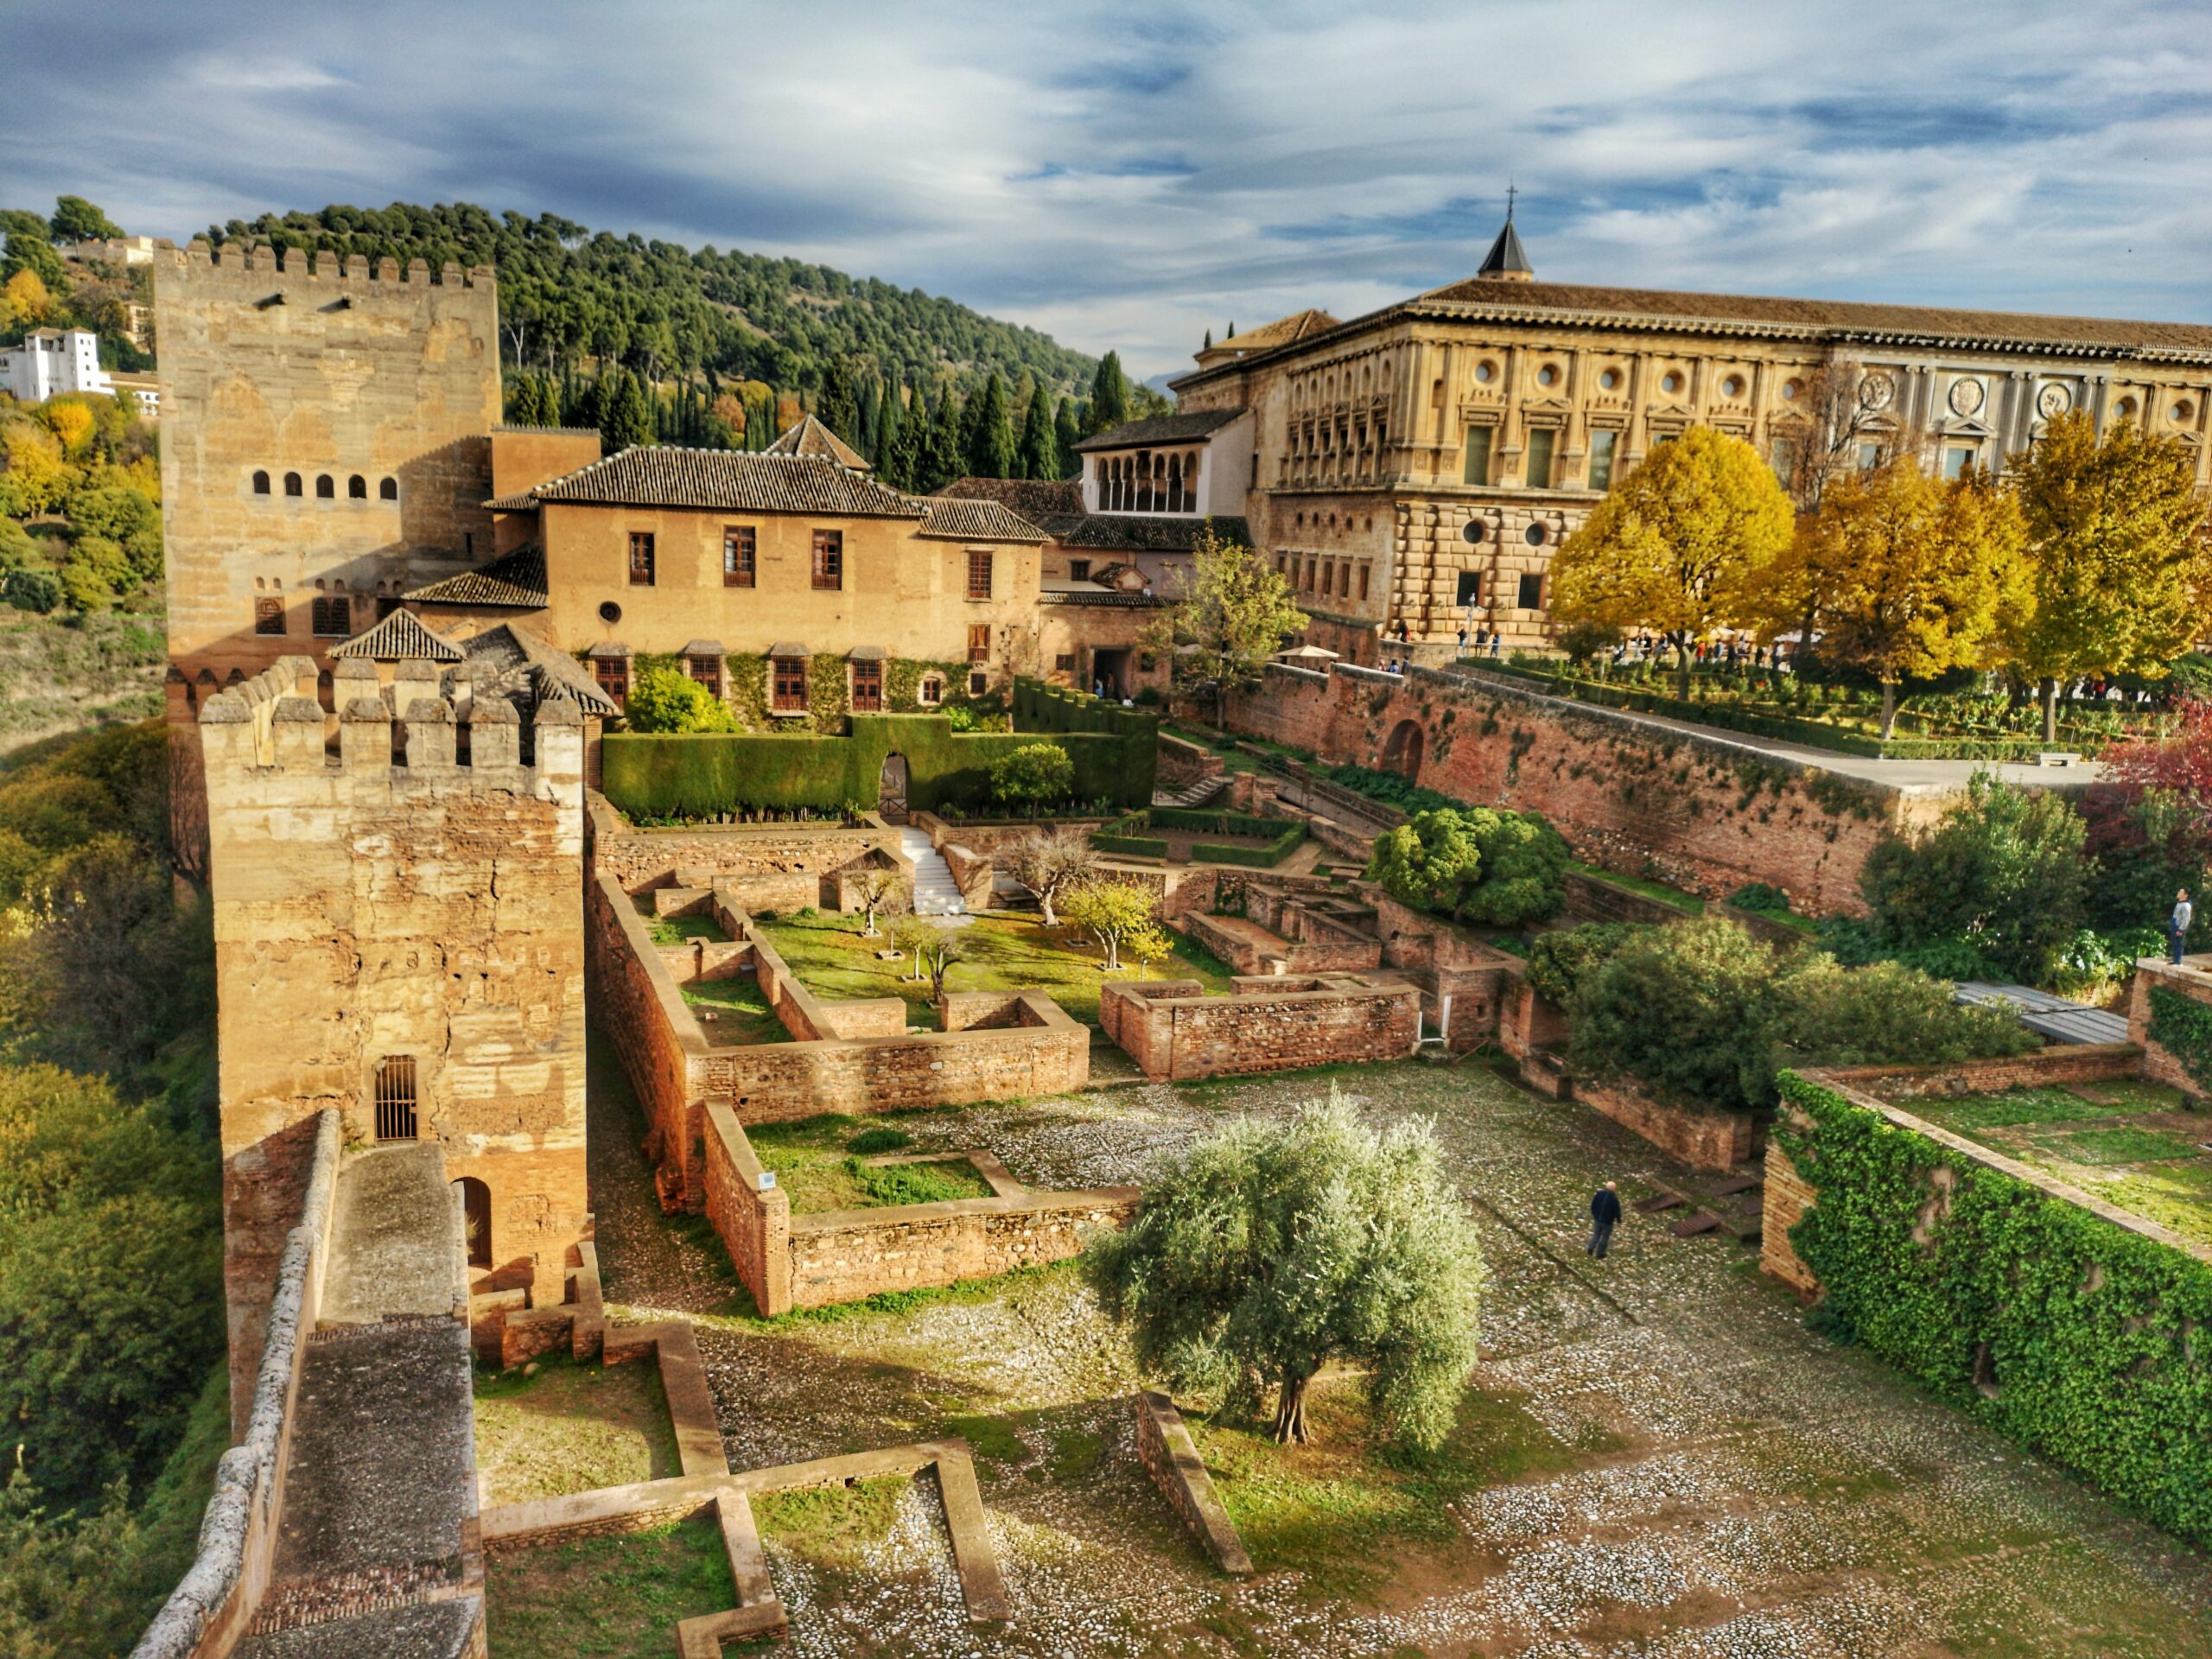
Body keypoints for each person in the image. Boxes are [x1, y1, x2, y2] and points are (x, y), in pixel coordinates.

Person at [1587, 1180, 1622, 1259]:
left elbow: (1593, 1204)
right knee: (1605, 1237)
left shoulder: (1599, 1194)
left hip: (1598, 1218)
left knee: (1596, 1234)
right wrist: (1619, 1220)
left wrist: (1594, 1213)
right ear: (1614, 1189)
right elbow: (1617, 1211)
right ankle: (1600, 1253)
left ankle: (1590, 1248)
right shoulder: (1614, 1199)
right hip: (1607, 1222)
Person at [2173, 887, 2195, 966]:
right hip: (2175, 925)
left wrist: (2180, 930)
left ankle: (2178, 961)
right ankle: (2175, 960)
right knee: (2175, 943)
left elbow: (2186, 919)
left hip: (2179, 927)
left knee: (2179, 943)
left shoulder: (2186, 905)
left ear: (2186, 895)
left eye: (2181, 892)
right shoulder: (2180, 903)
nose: (2178, 892)